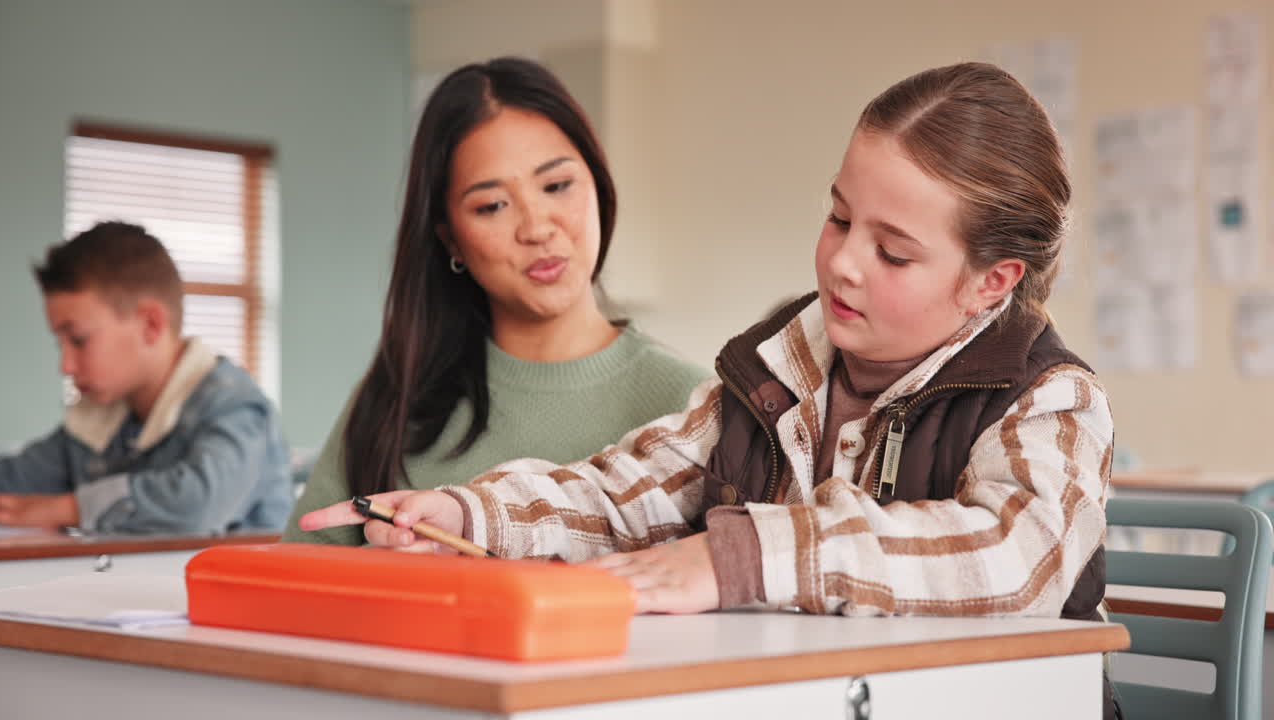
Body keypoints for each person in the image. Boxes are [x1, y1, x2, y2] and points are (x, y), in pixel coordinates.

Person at [299, 60, 1117, 717]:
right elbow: (628, 489)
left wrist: (741, 557)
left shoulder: (1052, 399)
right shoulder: (771, 371)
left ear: (991, 281)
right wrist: (469, 512)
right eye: (838, 218)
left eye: (893, 252)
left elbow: (1014, 560)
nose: (842, 262)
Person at [283, 57, 708, 545]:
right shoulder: (398, 398)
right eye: (491, 206)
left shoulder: (692, 406)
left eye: (557, 186)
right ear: (451, 241)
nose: (536, 227)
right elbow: (294, 584)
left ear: (599, 186)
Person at [0, 221, 293, 533]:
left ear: (150, 324)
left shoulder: (236, 407)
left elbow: (198, 504)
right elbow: (11, 483)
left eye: (79, 340)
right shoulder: (101, 416)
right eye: (60, 344)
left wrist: (68, 509)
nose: (65, 366)